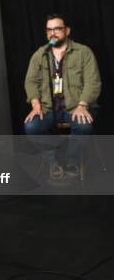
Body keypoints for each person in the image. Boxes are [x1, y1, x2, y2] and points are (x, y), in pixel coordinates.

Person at [24, 14, 101, 180]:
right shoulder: (40, 54)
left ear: (66, 30)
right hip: (48, 107)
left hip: (75, 106)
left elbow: (92, 81)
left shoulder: (83, 52)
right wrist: (35, 104)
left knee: (84, 127)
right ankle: (53, 162)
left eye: (57, 29)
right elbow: (30, 81)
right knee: (31, 127)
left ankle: (72, 161)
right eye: (49, 30)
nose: (53, 33)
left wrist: (82, 105)